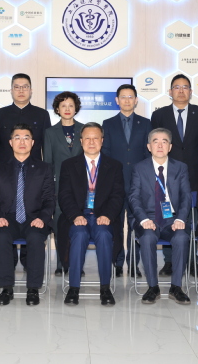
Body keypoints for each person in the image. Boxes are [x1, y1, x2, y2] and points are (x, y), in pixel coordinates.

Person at [0, 73, 52, 269]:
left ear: (31, 90)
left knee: (31, 215)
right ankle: (9, 260)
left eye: (25, 87)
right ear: (11, 90)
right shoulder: (0, 114)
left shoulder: (42, 114)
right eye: (17, 87)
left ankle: (27, 259)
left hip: (33, 175)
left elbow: (46, 148)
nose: (21, 90)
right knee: (9, 218)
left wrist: (48, 174)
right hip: (5, 176)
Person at [58, 122, 125, 306]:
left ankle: (105, 288)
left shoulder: (114, 166)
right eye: (87, 138)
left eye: (96, 138)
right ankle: (73, 288)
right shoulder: (69, 165)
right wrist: (75, 215)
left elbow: (118, 195)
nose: (91, 142)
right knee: (79, 235)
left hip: (103, 216)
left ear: (102, 141)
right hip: (77, 216)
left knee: (104, 235)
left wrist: (108, 215)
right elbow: (64, 195)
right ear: (81, 141)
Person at [0, 124, 55, 306]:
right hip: (7, 217)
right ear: (10, 142)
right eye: (17, 137)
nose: (22, 141)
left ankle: (33, 289)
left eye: (26, 138)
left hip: (34, 218)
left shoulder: (43, 168)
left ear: (33, 142)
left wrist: (43, 218)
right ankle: (6, 288)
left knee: (35, 237)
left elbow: (49, 199)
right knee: (2, 237)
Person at [150, 74, 198, 278]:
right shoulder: (159, 115)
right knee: (167, 217)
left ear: (191, 92)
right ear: (170, 92)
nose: (181, 91)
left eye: (185, 87)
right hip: (165, 175)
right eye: (177, 87)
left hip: (193, 175)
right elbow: (157, 146)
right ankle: (169, 262)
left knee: (190, 219)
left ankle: (192, 261)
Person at [129, 128, 191, 305]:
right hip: (148, 218)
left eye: (165, 141)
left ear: (170, 147)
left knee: (181, 238)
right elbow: (133, 197)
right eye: (155, 141)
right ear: (149, 146)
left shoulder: (181, 168)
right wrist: (143, 220)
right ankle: (152, 287)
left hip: (173, 219)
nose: (160, 145)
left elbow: (186, 196)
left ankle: (176, 287)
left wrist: (180, 219)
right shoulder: (139, 168)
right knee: (147, 238)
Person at [102, 84, 151, 278]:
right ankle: (117, 262)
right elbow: (105, 154)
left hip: (138, 184)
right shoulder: (108, 124)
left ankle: (133, 264)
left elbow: (148, 154)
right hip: (115, 184)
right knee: (115, 224)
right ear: (117, 100)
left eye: (131, 97)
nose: (127, 100)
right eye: (123, 97)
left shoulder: (146, 123)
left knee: (135, 225)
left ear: (136, 100)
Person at [43, 91, 84, 276]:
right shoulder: (50, 133)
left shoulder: (85, 130)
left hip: (82, 188)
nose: (67, 109)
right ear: (57, 109)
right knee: (60, 226)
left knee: (80, 226)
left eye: (70, 105)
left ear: (76, 108)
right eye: (63, 106)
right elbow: (48, 163)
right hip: (59, 187)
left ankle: (77, 264)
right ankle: (61, 263)